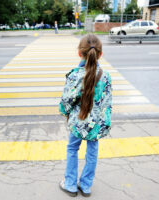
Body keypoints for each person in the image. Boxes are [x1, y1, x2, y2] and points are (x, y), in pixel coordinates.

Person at [59, 34, 112, 197]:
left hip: (77, 122)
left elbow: (66, 101)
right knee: (92, 151)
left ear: (79, 53)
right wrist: (105, 125)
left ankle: (70, 184)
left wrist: (65, 113)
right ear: (100, 54)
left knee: (72, 148)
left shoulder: (75, 75)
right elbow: (107, 104)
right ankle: (86, 186)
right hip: (95, 125)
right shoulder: (105, 75)